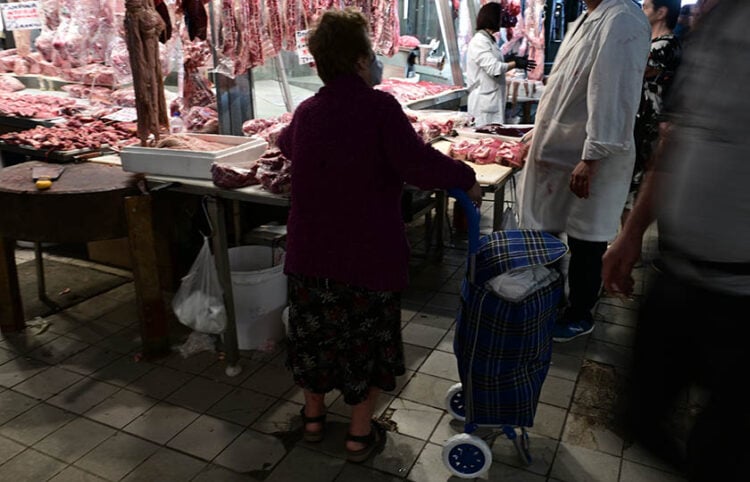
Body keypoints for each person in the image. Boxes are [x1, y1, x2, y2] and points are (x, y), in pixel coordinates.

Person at [276, 8, 482, 463]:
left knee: (315, 339)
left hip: (310, 256)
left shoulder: (309, 111)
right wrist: (465, 176)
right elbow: (418, 164)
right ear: (356, 60)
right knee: (363, 345)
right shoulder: (379, 107)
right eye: (370, 52)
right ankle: (357, 435)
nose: (375, 60)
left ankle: (311, 423)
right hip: (366, 258)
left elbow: (286, 144)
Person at [602, 2, 749, 481]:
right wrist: (630, 234)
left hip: (742, 295)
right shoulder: (716, 24)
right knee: (639, 418)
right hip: (677, 273)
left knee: (720, 451)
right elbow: (677, 137)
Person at [514, 0, 650, 342]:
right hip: (563, 152)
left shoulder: (622, 18)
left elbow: (613, 92)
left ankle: (579, 314)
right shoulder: (588, 18)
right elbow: (564, 90)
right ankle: (551, 303)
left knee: (586, 241)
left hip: (592, 156)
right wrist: (537, 132)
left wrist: (592, 157)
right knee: (550, 232)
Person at [622, 0, 681, 227]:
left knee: (635, 181)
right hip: (640, 118)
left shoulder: (665, 46)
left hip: (649, 122)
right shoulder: (653, 43)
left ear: (661, 13)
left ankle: (627, 246)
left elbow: (635, 72)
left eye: (646, 6)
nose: (642, 10)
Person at [465, 1, 535, 126]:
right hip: (483, 103)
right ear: (493, 18)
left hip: (491, 99)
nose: (503, 21)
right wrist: (515, 63)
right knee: (485, 140)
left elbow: (493, 62)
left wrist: (509, 60)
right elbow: (494, 68)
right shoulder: (479, 41)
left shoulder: (489, 40)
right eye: (501, 17)